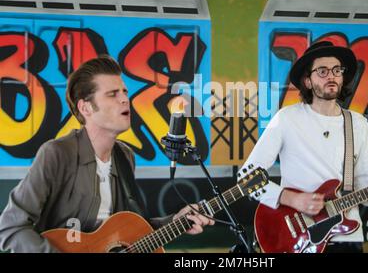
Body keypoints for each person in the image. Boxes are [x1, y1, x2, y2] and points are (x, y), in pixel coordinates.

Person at [0, 56, 214, 253]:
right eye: (113, 94)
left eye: (125, 92)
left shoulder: (124, 157)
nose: (124, 100)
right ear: (86, 108)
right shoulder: (56, 154)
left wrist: (176, 221)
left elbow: (126, 229)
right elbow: (11, 227)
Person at [241, 41, 368, 253]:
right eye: (322, 71)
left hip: (347, 238)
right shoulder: (287, 118)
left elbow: (362, 183)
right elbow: (246, 177)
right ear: (307, 81)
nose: (331, 76)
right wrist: (292, 199)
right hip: (298, 239)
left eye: (336, 70)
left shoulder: (358, 123)